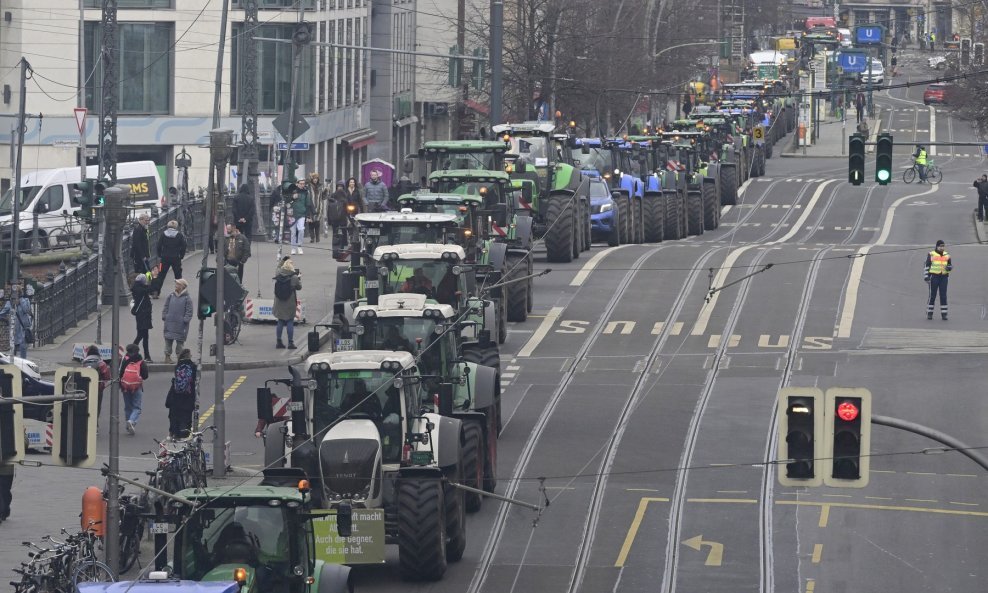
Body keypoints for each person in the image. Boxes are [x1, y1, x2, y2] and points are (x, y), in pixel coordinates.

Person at [166, 349, 196, 439]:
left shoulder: (178, 366)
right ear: (188, 355)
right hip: (188, 396)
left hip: (176, 395)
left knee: (175, 415)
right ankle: (184, 435)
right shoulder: (193, 366)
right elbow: (194, 380)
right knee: (186, 416)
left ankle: (174, 433)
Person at [120, 343, 149, 435]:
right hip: (137, 386)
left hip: (125, 386)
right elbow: (145, 376)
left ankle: (128, 424)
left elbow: (121, 373)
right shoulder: (141, 361)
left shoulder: (125, 360)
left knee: (128, 406)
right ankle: (132, 421)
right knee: (136, 407)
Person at [273, 257, 301, 349]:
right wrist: (299, 278)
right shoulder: (294, 277)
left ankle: (278, 341)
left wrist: (282, 261)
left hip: (279, 301)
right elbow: (299, 287)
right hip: (290, 302)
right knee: (290, 321)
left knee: (280, 320)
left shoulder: (278, 273)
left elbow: (277, 268)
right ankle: (290, 343)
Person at [161, 279, 192, 364]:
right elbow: (166, 306)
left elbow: (189, 311)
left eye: (178, 284)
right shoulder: (171, 296)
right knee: (168, 341)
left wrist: (185, 319)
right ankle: (167, 357)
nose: (176, 285)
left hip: (181, 325)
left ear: (183, 286)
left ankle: (180, 358)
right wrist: (164, 316)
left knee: (180, 343)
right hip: (169, 322)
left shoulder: (187, 298)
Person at [154, 220, 186, 297]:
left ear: (168, 226)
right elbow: (184, 246)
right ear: (176, 226)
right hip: (176, 258)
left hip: (164, 258)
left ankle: (156, 292)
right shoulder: (179, 235)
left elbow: (158, 246)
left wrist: (160, 255)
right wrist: (181, 255)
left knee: (161, 275)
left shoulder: (163, 234)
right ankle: (179, 292)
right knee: (178, 276)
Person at [0, 286, 33, 359]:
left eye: (16, 293)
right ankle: (14, 359)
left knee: (22, 346)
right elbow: (4, 312)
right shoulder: (10, 302)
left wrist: (20, 300)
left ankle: (23, 361)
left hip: (23, 327)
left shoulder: (25, 300)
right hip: (14, 328)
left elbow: (26, 310)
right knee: (13, 345)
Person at [81, 344, 111, 420]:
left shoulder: (84, 362)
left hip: (85, 387)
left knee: (87, 405)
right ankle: (95, 424)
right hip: (97, 388)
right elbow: (107, 377)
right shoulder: (101, 363)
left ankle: (86, 422)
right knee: (97, 406)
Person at [924, 240, 952, 320]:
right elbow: (927, 266)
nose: (942, 247)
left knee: (943, 296)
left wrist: (949, 268)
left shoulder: (947, 255)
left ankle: (944, 314)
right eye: (940, 246)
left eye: (943, 246)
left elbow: (950, 265)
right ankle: (929, 313)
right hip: (934, 277)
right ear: (937, 246)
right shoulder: (931, 254)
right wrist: (926, 277)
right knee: (932, 296)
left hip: (944, 277)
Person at [131, 274, 153, 363]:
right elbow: (151, 288)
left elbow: (147, 288)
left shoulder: (137, 288)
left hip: (141, 316)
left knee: (142, 336)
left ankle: (133, 352)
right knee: (142, 336)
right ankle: (132, 352)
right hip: (144, 316)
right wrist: (152, 278)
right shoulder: (141, 290)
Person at [289, 179, 312, 255]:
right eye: (301, 183)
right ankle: (293, 248)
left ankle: (299, 246)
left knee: (301, 230)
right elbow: (287, 201)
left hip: (302, 213)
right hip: (292, 214)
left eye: (303, 184)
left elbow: (308, 204)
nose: (302, 185)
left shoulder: (306, 192)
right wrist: (292, 198)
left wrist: (308, 215)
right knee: (293, 232)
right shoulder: (293, 191)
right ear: (297, 184)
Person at [307, 172, 325, 243]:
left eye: (316, 178)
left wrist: (327, 190)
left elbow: (323, 197)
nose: (315, 180)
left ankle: (317, 237)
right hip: (310, 205)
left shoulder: (320, 186)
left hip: (318, 206)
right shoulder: (308, 185)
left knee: (317, 223)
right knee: (311, 223)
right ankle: (312, 238)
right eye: (314, 178)